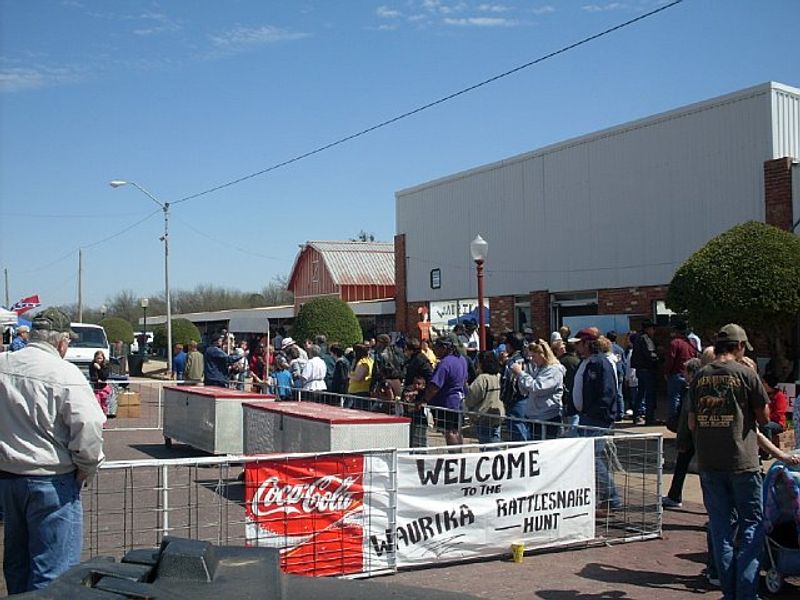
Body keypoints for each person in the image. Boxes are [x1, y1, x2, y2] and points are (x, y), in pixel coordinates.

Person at [0, 307, 106, 593]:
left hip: (9, 478)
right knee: (53, 575)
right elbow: (90, 424)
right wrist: (87, 467)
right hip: (52, 481)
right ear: (62, 341)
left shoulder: (4, 363)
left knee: (17, 565)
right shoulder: (65, 373)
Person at [687, 324, 769, 600]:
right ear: (740, 346)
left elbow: (692, 421)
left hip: (710, 462)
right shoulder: (746, 373)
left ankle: (730, 592)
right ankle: (745, 593)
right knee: (751, 526)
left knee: (721, 529)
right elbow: (765, 417)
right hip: (742, 461)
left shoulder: (699, 376)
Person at [570, 327, 621, 511]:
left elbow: (608, 393)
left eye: (579, 343)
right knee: (590, 458)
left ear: (587, 344)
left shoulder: (601, 363)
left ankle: (611, 497)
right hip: (586, 416)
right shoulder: (587, 362)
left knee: (593, 457)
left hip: (596, 418)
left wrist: (594, 412)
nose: (577, 347)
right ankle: (604, 496)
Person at [514, 340, 565, 440]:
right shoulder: (540, 368)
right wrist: (521, 377)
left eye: (534, 356)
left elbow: (537, 387)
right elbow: (527, 390)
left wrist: (521, 374)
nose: (532, 360)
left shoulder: (553, 370)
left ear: (543, 354)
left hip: (547, 417)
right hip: (536, 415)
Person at [424, 336, 468, 446]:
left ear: (444, 347)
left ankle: (453, 458)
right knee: (457, 430)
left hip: (447, 402)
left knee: (450, 432)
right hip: (459, 400)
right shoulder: (461, 359)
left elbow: (435, 386)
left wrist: (424, 400)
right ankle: (458, 456)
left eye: (437, 347)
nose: (434, 350)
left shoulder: (445, 363)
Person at [465, 351, 504, 444]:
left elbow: (471, 397)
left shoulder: (482, 379)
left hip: (483, 415)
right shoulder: (499, 376)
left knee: (486, 443)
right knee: (495, 439)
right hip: (498, 414)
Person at [664, 321, 697, 426]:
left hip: (676, 374)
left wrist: (666, 372)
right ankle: (684, 420)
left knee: (675, 398)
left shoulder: (675, 343)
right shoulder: (692, 343)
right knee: (686, 399)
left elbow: (670, 359)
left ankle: (673, 421)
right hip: (689, 375)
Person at [500, 332, 528, 441]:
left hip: (515, 400)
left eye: (506, 344)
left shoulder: (511, 362)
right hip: (527, 398)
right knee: (524, 428)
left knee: (518, 432)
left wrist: (504, 398)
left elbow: (508, 383)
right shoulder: (525, 358)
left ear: (511, 345)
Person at [631, 320, 659, 425]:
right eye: (652, 329)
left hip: (640, 369)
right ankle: (649, 418)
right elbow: (650, 354)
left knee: (641, 393)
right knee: (649, 394)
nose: (654, 331)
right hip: (647, 369)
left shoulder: (638, 338)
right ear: (648, 329)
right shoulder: (646, 339)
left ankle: (636, 415)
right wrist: (659, 359)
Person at [558, 340, 582, 435]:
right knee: (574, 419)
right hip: (572, 392)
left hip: (562, 393)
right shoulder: (578, 361)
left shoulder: (559, 361)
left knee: (562, 421)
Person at [348, 343, 373, 410]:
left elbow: (358, 377)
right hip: (356, 391)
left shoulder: (363, 363)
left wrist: (349, 376)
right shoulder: (369, 360)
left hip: (359, 391)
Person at [89, 349, 111, 416]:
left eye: (100, 358)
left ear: (103, 358)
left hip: (104, 388)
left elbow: (105, 376)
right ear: (95, 358)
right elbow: (92, 376)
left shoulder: (106, 366)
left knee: (104, 405)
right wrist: (96, 379)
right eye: (97, 358)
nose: (99, 360)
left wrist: (99, 369)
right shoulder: (92, 365)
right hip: (96, 388)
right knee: (97, 405)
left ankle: (104, 423)